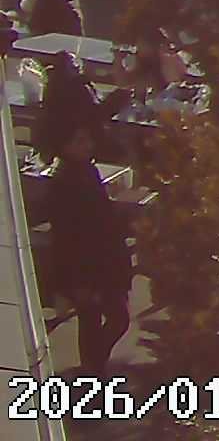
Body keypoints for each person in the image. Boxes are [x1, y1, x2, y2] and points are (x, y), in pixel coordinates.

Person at [34, 132, 131, 372]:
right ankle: (93, 370)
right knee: (94, 319)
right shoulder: (65, 182)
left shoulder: (86, 171)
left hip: (103, 258)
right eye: (80, 141)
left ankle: (94, 365)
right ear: (66, 147)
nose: (88, 144)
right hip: (84, 263)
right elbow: (68, 233)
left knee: (113, 318)